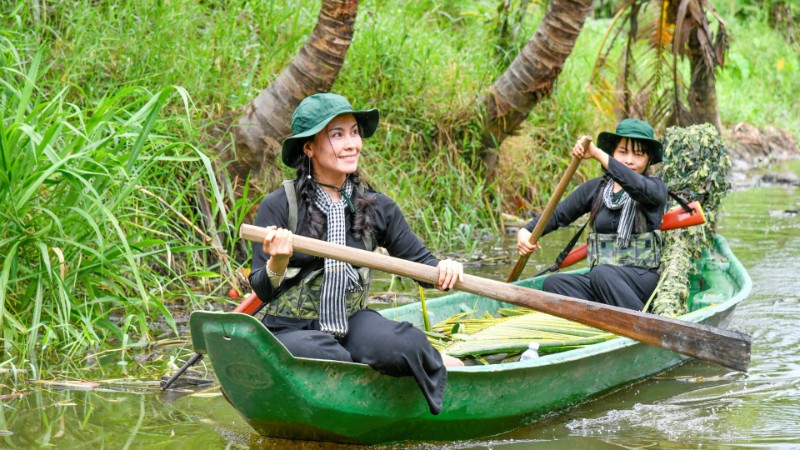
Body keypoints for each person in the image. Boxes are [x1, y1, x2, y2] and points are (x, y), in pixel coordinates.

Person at [249, 93, 464, 415]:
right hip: (291, 327)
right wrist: (278, 260)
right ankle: (358, 367)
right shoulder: (280, 205)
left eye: (354, 132)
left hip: (351, 322)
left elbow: (422, 265)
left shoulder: (378, 207)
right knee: (311, 352)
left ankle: (432, 362)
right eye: (337, 135)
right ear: (309, 147)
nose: (352, 144)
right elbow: (262, 289)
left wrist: (445, 268)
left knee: (403, 345)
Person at [517, 118, 668, 311]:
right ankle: (600, 322)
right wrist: (526, 231)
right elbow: (557, 215)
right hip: (602, 280)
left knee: (602, 274)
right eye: (623, 152)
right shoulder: (597, 189)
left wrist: (597, 154)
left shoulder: (655, 188)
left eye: (638, 154)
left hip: (641, 280)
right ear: (613, 152)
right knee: (553, 284)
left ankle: (643, 324)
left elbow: (637, 185)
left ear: (648, 160)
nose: (629, 160)